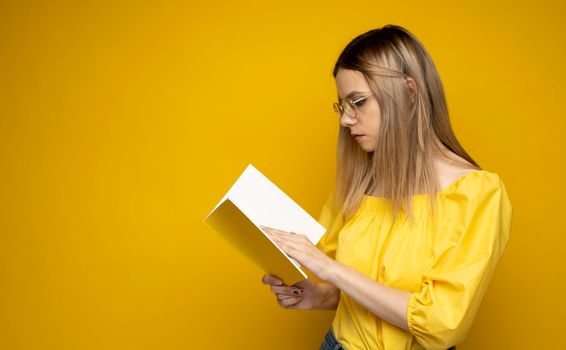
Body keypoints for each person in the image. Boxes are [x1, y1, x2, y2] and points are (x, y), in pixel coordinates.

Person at [260, 24, 512, 350]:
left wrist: (328, 269)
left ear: (409, 92)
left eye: (358, 102)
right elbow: (355, 289)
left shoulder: (477, 194)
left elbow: (441, 324)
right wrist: (316, 294)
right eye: (342, 105)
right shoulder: (359, 184)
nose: (345, 120)